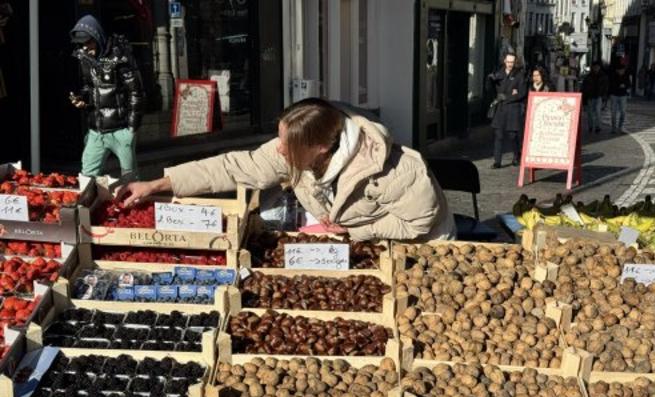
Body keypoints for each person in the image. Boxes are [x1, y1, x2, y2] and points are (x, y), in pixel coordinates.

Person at [116, 98, 456, 242]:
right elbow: (233, 167)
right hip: (358, 239)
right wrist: (159, 183)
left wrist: (353, 233)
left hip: (421, 245)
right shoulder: (293, 150)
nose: (279, 150)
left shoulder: (396, 171)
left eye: (287, 145)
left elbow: (419, 223)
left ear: (321, 147)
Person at [70, 15, 144, 179]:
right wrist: (83, 98)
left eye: (88, 42)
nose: (85, 48)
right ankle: (89, 203)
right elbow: (89, 87)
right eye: (81, 44)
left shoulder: (120, 56)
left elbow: (136, 92)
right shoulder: (85, 58)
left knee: (129, 178)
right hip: (96, 130)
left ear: (98, 37)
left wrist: (132, 129)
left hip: (121, 129)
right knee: (87, 175)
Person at [487, 52, 527, 168]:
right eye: (508, 62)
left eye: (512, 62)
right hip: (500, 108)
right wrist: (489, 80)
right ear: (504, 61)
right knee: (498, 135)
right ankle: (497, 161)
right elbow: (490, 89)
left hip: (513, 109)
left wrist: (508, 97)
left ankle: (516, 155)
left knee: (512, 135)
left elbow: (522, 93)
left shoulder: (519, 74)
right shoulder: (498, 73)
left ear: (515, 62)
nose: (510, 64)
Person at [581, 61, 608, 133]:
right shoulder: (588, 76)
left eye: (597, 67)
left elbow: (605, 88)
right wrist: (584, 100)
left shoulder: (604, 76)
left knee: (597, 111)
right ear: (592, 68)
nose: (596, 68)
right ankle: (590, 126)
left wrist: (604, 98)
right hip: (590, 96)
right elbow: (584, 88)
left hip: (599, 96)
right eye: (595, 67)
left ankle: (598, 127)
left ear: (599, 67)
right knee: (589, 113)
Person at [608, 65, 631, 133]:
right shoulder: (613, 75)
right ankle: (613, 128)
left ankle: (620, 127)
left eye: (623, 70)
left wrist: (625, 86)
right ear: (617, 70)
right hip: (614, 95)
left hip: (623, 95)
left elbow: (629, 84)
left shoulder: (626, 75)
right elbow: (611, 85)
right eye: (621, 70)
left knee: (623, 112)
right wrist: (620, 85)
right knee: (613, 112)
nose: (622, 71)